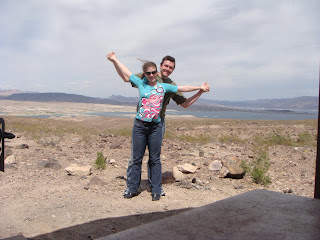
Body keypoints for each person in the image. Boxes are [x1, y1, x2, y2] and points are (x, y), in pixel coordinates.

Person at [106, 51, 209, 201]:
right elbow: (125, 75)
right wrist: (114, 60)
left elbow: (184, 100)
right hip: (140, 124)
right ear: (160, 66)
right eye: (165, 66)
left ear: (172, 69)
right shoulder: (144, 78)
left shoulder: (168, 86)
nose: (166, 69)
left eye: (171, 67)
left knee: (155, 159)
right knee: (136, 158)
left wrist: (200, 90)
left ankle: (155, 189)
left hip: (157, 125)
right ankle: (132, 187)